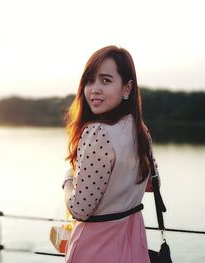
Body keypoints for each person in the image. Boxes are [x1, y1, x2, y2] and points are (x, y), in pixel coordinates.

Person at [62, 45, 157, 263]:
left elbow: (80, 209)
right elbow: (153, 184)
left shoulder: (98, 132)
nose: (94, 89)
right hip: (133, 246)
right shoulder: (139, 129)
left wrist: (68, 179)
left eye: (105, 81)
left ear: (127, 88)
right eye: (89, 81)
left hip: (96, 250)